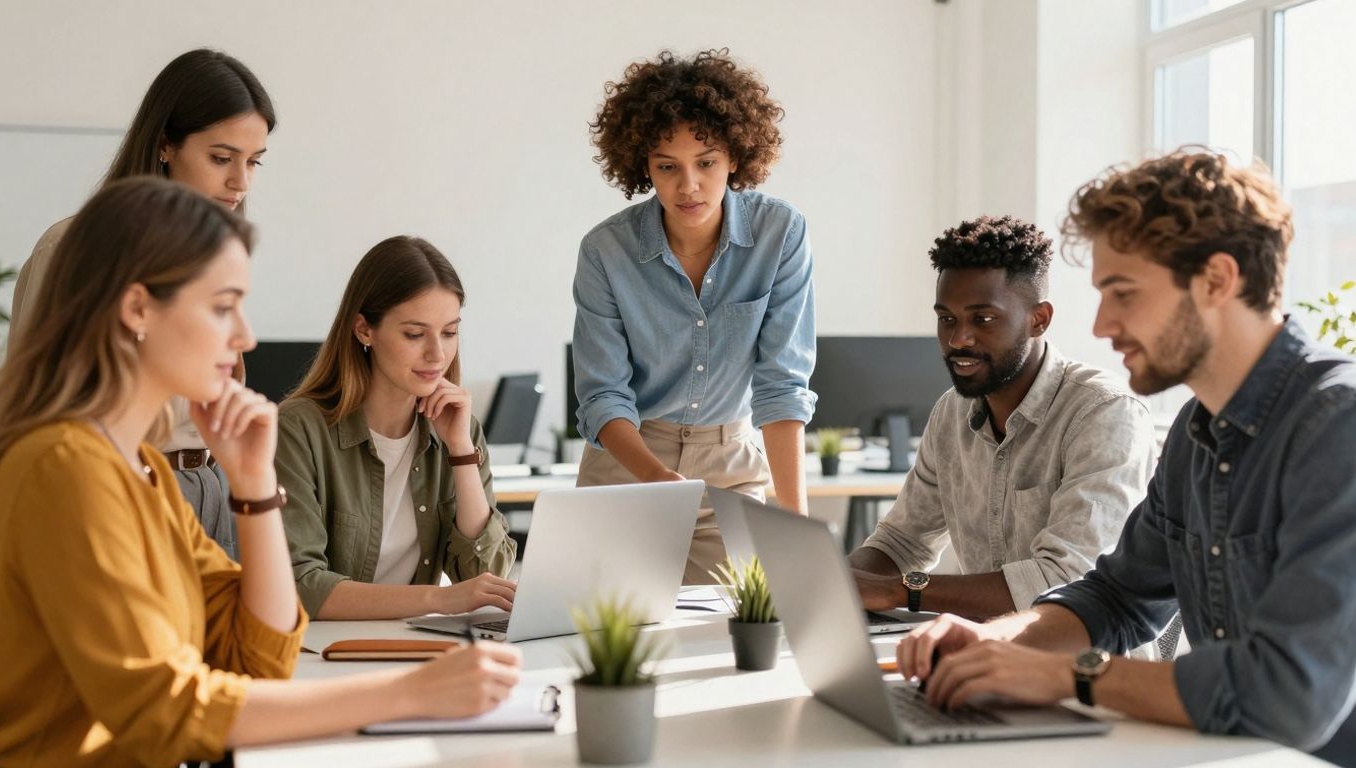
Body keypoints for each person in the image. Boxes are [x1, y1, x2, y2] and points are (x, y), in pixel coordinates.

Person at [0, 178, 521, 768]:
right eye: (223, 306)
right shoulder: (64, 470)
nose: (244, 336)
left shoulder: (142, 473)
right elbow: (163, 713)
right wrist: (406, 694)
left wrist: (254, 489)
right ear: (138, 309)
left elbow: (259, 656)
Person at [894, 151, 1356, 767]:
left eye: (1124, 294)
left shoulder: (1336, 426)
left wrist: (1065, 677)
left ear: (1216, 280)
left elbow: (1288, 694)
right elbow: (1117, 597)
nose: (1104, 324)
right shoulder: (1198, 430)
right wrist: (993, 639)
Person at [9, 48, 278, 560]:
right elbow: (36, 412)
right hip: (124, 494)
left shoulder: (214, 258)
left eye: (254, 161)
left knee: (240, 639)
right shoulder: (73, 250)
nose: (241, 182)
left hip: (216, 487)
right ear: (164, 146)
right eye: (221, 158)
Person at [574, 49, 817, 584]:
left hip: (729, 462)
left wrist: (794, 522)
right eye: (668, 166)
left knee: (738, 634)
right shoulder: (605, 251)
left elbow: (782, 385)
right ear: (643, 165)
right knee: (602, 642)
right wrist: (656, 476)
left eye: (706, 162)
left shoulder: (780, 235)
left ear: (734, 157)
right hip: (628, 462)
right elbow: (602, 395)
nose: (689, 186)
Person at [849, 215, 1155, 620]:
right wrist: (831, 584)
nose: (958, 339)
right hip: (983, 653)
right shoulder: (951, 413)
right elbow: (902, 543)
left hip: (1081, 667)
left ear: (1038, 319)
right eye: (947, 319)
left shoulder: (1103, 413)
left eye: (983, 319)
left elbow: (1064, 580)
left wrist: (898, 592)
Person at [276, 236, 518, 620]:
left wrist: (460, 449)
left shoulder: (459, 428)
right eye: (414, 334)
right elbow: (299, 585)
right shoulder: (298, 430)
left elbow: (482, 577)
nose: (437, 354)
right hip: (320, 653)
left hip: (407, 644)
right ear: (363, 330)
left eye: (450, 332)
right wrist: (439, 599)